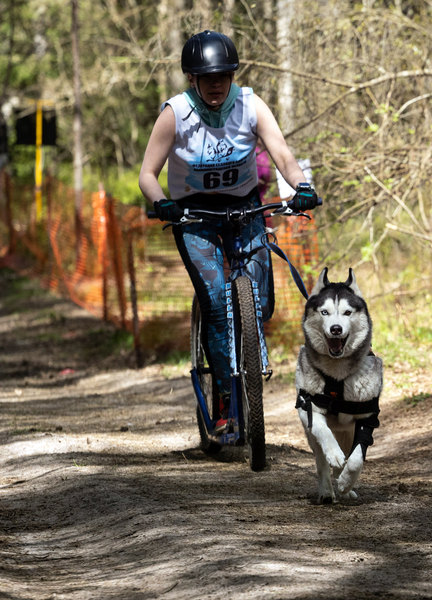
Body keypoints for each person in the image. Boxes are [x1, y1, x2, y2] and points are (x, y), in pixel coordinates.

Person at [139, 30, 319, 434]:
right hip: (193, 215)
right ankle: (224, 405)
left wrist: (302, 186)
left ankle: (251, 360)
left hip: (245, 207)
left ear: (233, 74)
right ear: (193, 80)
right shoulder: (175, 113)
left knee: (259, 303)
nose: (217, 83)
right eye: (208, 77)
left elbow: (283, 154)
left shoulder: (251, 105)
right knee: (219, 306)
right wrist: (160, 202)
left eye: (224, 75)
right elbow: (147, 174)